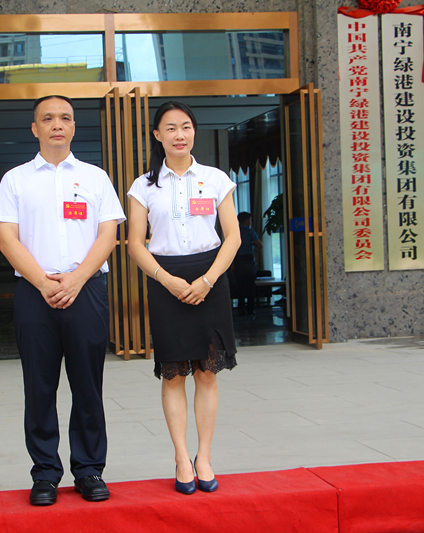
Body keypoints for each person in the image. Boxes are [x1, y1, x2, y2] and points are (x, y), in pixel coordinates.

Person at [0, 95, 125, 506]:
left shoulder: (95, 177)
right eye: (47, 118)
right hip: (35, 293)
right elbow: (7, 239)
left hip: (87, 291)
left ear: (73, 126)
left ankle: (89, 470)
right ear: (35, 128)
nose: (57, 125)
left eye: (65, 118)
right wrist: (43, 283)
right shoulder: (15, 180)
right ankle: (45, 474)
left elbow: (108, 235)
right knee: (39, 386)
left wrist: (77, 279)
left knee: (88, 386)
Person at [126, 101, 240, 495]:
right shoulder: (143, 186)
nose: (179, 134)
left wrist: (207, 280)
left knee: (207, 372)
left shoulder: (215, 179)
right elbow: (135, 244)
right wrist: (166, 280)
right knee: (174, 374)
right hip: (165, 280)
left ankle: (204, 457)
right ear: (157, 135)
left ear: (194, 131)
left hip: (211, 277)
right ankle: (181, 457)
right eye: (171, 127)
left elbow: (233, 237)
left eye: (186, 126)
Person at [233, 212, 263, 315]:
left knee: (240, 287)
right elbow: (260, 245)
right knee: (250, 287)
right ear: (246, 220)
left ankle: (241, 309)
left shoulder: (235, 231)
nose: (250, 222)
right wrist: (252, 243)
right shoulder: (250, 232)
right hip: (248, 261)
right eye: (249, 220)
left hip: (238, 261)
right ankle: (250, 309)